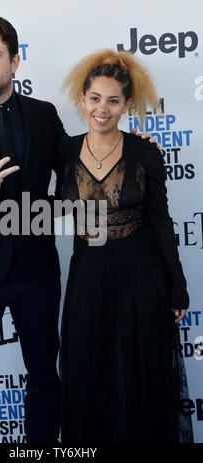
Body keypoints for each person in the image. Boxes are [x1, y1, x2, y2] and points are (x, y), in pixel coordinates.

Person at [0, 16, 158, 443]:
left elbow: (81, 164)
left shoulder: (43, 116)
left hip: (36, 274)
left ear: (15, 61)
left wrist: (130, 149)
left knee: (45, 380)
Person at [59, 49, 193, 443]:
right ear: (82, 100)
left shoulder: (145, 152)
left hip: (141, 279)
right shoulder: (62, 151)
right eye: (95, 99)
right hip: (86, 279)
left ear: (127, 104)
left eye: (113, 101)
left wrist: (177, 286)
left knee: (139, 376)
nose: (103, 109)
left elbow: (160, 222)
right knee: (88, 374)